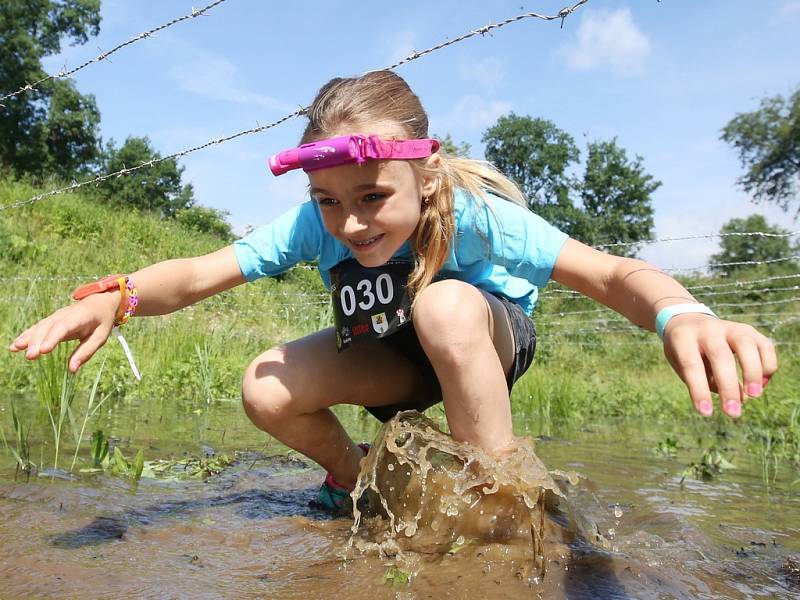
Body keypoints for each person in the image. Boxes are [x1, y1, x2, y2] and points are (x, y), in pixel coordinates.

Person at [9, 71, 778, 512]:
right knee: (264, 387)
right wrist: (118, 295)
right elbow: (201, 274)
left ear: (426, 176)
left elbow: (610, 273)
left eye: (373, 196)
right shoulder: (317, 224)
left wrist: (682, 313)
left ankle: (498, 499)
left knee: (444, 306)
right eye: (329, 200)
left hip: (482, 335)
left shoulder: (474, 216)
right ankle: (361, 482)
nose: (349, 222)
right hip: (391, 352)